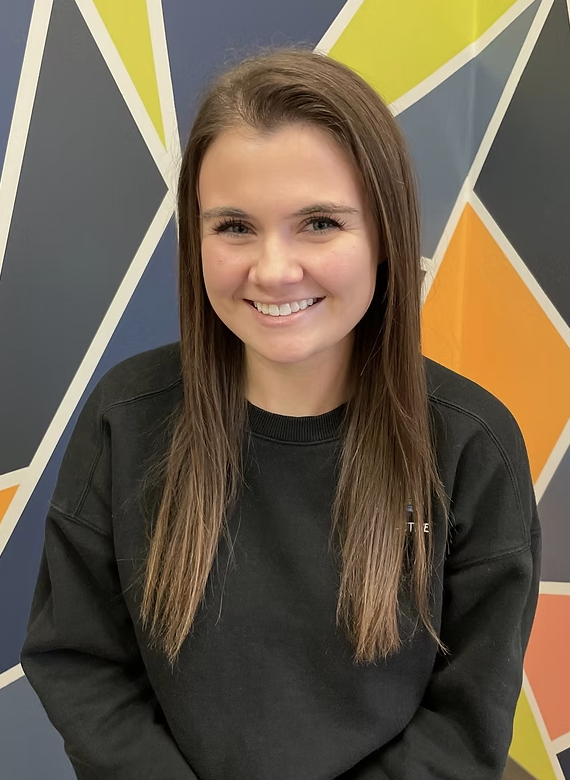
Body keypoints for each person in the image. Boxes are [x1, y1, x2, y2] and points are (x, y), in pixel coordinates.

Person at [21, 48, 540, 780]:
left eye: (320, 223)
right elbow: (79, 662)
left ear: (386, 235)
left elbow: (467, 718)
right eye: (234, 226)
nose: (272, 269)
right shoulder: (126, 419)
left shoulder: (469, 445)